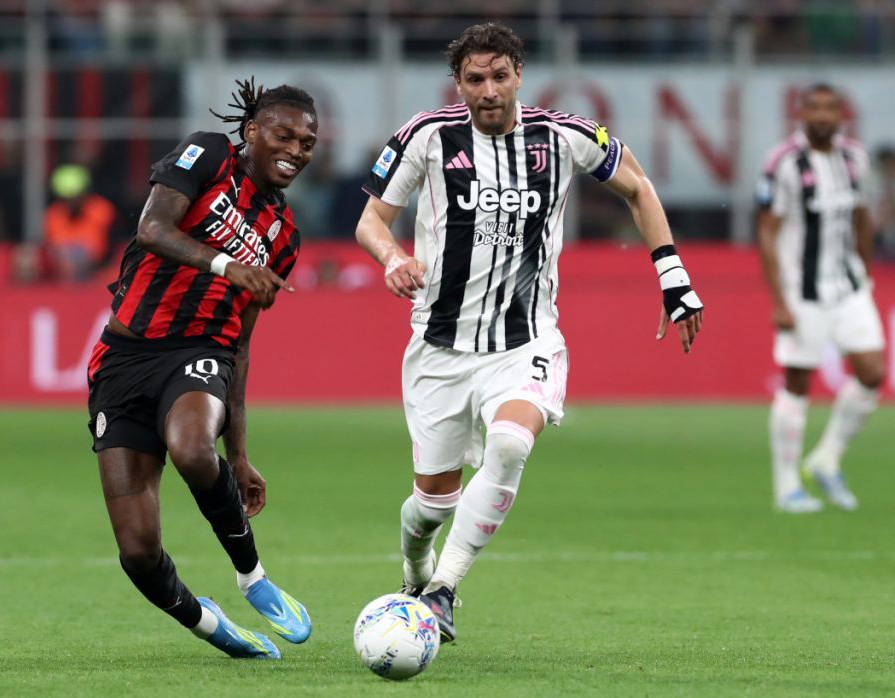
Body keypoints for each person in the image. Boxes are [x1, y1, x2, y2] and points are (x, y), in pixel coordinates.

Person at [354, 23, 703, 643]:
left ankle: (442, 591)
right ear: (457, 83)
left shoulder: (565, 136)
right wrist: (391, 259)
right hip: (439, 348)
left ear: (519, 73)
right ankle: (416, 568)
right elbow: (372, 220)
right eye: (474, 79)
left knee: (511, 444)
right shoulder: (427, 137)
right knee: (431, 506)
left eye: (498, 76)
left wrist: (674, 279)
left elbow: (639, 187)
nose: (488, 90)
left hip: (526, 342)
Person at [86, 79, 317, 659]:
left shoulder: (284, 237)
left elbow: (240, 345)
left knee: (193, 449)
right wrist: (225, 265)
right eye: (284, 134)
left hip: (197, 353)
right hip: (123, 360)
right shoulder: (207, 154)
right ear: (252, 132)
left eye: (308, 141)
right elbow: (152, 229)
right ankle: (211, 625)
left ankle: (252, 576)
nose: (296, 149)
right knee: (138, 551)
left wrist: (237, 452)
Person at [756, 83, 886, 513]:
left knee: (872, 372)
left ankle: (826, 459)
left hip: (847, 284)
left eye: (830, 108)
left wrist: (864, 272)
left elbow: (862, 217)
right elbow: (768, 230)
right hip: (802, 289)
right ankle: (786, 485)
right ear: (802, 114)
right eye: (814, 108)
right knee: (798, 382)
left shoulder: (855, 159)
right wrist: (779, 299)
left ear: (841, 115)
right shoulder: (784, 163)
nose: (823, 116)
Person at [44, 164, 118, 281]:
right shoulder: (53, 215)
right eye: (66, 197)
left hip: (98, 275)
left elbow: (111, 249)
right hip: (62, 278)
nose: (71, 202)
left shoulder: (102, 211)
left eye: (76, 196)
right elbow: (50, 252)